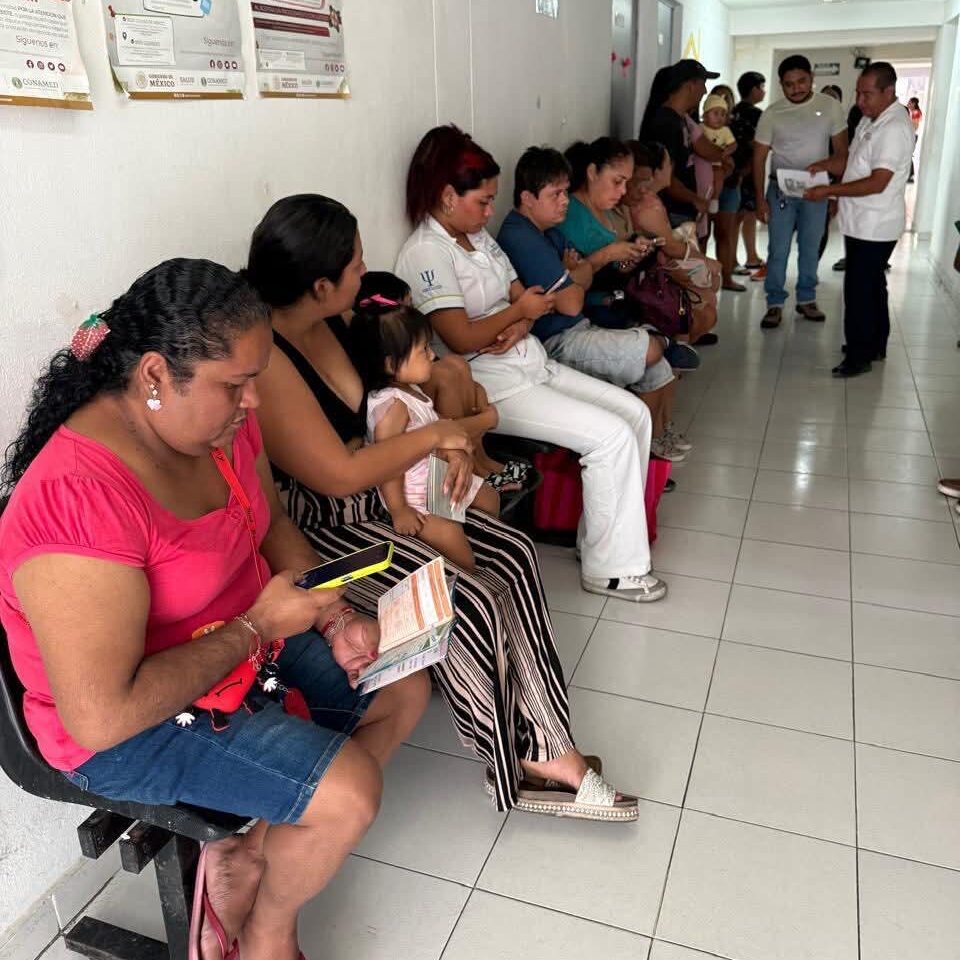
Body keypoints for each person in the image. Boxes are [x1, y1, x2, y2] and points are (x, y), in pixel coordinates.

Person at [0, 259, 431, 960]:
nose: (253, 401)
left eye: (255, 378)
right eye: (235, 384)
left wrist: (331, 615)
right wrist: (258, 627)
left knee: (404, 683)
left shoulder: (219, 427)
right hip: (131, 724)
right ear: (154, 376)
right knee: (351, 793)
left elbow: (271, 525)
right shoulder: (79, 499)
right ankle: (267, 935)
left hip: (243, 647)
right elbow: (101, 717)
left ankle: (252, 844)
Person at [247, 192, 640, 819]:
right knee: (467, 595)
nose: (364, 271)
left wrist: (448, 445)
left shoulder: (335, 322)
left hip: (387, 498)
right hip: (330, 531)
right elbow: (338, 476)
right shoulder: (269, 358)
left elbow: (397, 403)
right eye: (355, 264)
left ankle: (546, 741)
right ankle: (513, 761)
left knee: (514, 553)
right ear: (319, 285)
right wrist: (437, 438)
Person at [396, 125, 668, 603]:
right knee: (610, 437)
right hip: (491, 382)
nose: (490, 211)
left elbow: (527, 297)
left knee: (634, 413)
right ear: (447, 196)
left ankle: (600, 541)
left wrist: (520, 319)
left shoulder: (478, 238)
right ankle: (612, 571)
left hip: (529, 360)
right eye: (483, 201)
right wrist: (518, 313)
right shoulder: (426, 252)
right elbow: (459, 336)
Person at [495, 144, 692, 461]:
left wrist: (575, 276)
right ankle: (642, 451)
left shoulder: (549, 232)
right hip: (557, 340)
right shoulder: (522, 237)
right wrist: (578, 274)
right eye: (555, 194)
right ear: (527, 198)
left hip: (577, 325)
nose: (564, 201)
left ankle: (651, 449)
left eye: (565, 192)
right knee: (651, 349)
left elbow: (581, 281)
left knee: (659, 368)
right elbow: (573, 302)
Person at [349, 298, 499, 569]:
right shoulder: (393, 405)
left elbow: (436, 424)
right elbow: (387, 462)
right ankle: (468, 574)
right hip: (417, 499)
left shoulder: (411, 390)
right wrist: (399, 510)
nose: (432, 355)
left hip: (438, 479)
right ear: (391, 364)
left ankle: (483, 548)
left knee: (490, 498)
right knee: (457, 550)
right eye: (424, 349)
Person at [354, 272, 530, 492]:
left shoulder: (410, 366)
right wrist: (485, 419)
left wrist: (480, 398)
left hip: (441, 427)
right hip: (427, 466)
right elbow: (399, 455)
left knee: (458, 365)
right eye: (405, 309)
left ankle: (481, 460)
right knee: (447, 375)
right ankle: (476, 468)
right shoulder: (393, 403)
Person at [805, 62, 914, 377]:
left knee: (859, 290)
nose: (860, 101)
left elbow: (877, 182)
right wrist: (825, 165)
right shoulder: (871, 119)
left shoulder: (894, 128)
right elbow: (852, 162)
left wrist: (829, 191)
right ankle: (874, 344)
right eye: (858, 93)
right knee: (873, 285)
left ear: (888, 92)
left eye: (867, 94)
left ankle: (858, 356)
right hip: (861, 221)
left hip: (875, 224)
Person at [753, 54, 847, 328]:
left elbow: (842, 155)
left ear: (812, 78)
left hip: (816, 190)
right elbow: (758, 159)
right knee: (778, 249)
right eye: (789, 84)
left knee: (810, 246)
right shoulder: (773, 113)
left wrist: (834, 192)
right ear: (781, 84)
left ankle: (807, 298)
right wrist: (759, 198)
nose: (796, 88)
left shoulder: (830, 107)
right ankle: (774, 303)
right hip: (780, 190)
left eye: (802, 81)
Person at [626, 140, 722, 348]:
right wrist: (704, 260)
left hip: (658, 267)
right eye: (669, 163)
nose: (672, 168)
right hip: (655, 274)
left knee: (710, 282)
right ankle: (677, 345)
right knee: (708, 298)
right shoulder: (647, 206)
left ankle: (681, 341)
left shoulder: (650, 199)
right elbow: (669, 247)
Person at [639, 60, 722, 231]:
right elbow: (665, 176)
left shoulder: (680, 120)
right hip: (670, 212)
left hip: (681, 211)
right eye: (703, 84)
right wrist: (695, 199)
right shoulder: (665, 123)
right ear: (690, 85)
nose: (705, 91)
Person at [702, 92, 744, 291]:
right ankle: (701, 280)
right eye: (715, 112)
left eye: (723, 113)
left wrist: (724, 157)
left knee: (725, 234)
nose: (719, 117)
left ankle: (727, 278)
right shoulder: (699, 129)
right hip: (703, 186)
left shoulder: (728, 131)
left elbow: (733, 149)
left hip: (727, 186)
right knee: (702, 235)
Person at [730, 70, 767, 278]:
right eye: (761, 87)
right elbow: (759, 144)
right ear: (753, 90)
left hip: (733, 170)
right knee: (743, 215)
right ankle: (735, 258)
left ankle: (750, 255)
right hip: (749, 169)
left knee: (744, 214)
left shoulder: (733, 111)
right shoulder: (755, 115)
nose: (763, 92)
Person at [907, 96, 922, 183]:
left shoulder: (915, 112)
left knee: (907, 155)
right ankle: (909, 175)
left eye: (909, 103)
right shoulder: (914, 112)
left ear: (913, 104)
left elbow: (915, 126)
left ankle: (910, 175)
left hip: (912, 136)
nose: (908, 104)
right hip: (912, 135)